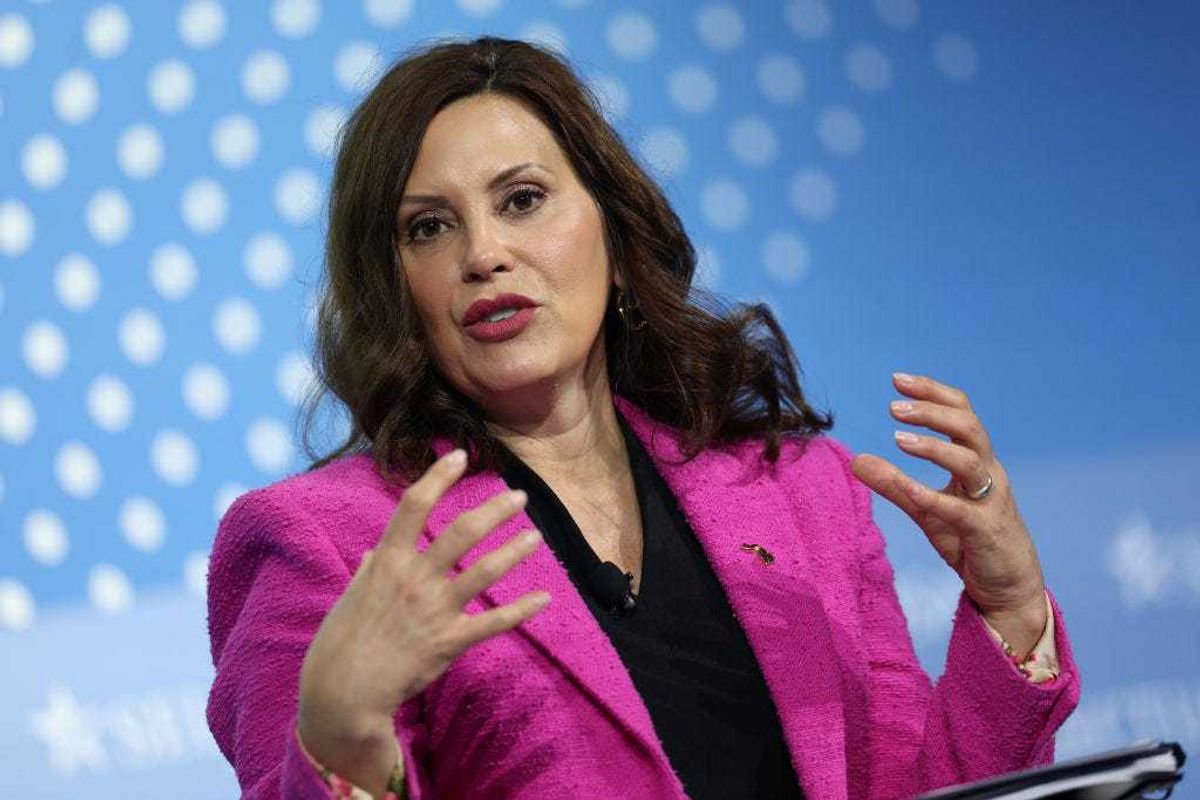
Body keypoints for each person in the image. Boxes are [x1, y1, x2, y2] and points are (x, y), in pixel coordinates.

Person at [205, 36, 1080, 800]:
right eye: (428, 228)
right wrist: (338, 739)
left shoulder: (804, 494)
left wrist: (1009, 611)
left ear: (617, 240)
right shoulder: (322, 545)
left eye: (522, 200)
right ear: (392, 288)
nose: (483, 254)